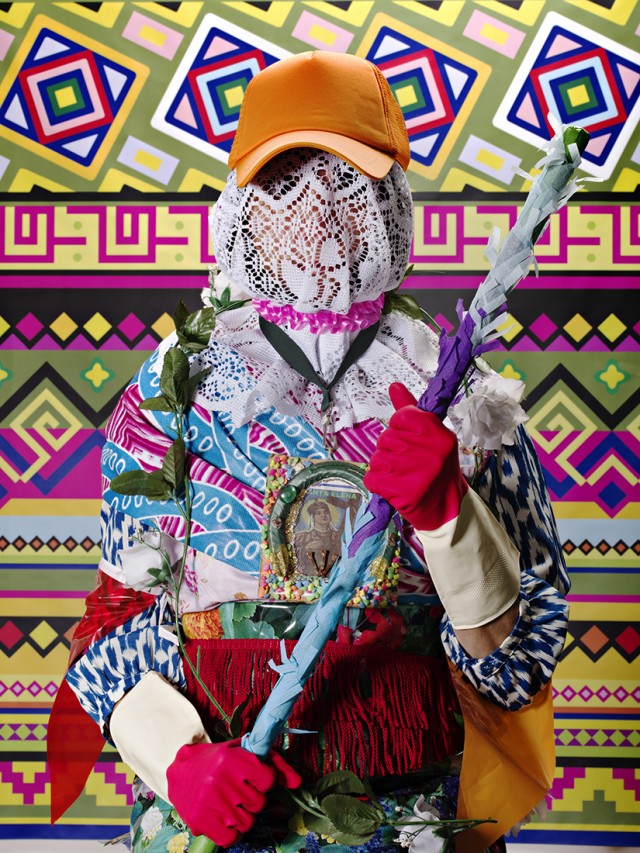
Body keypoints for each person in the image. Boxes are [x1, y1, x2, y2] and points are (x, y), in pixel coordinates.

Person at [49, 51, 570, 853]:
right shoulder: (171, 394)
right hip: (229, 822)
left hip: (412, 820)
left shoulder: (468, 401)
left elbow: (525, 655)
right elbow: (113, 619)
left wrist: (451, 519)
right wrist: (178, 760)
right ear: (240, 206)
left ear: (392, 198)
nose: (318, 212)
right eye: (284, 181)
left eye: (348, 180)